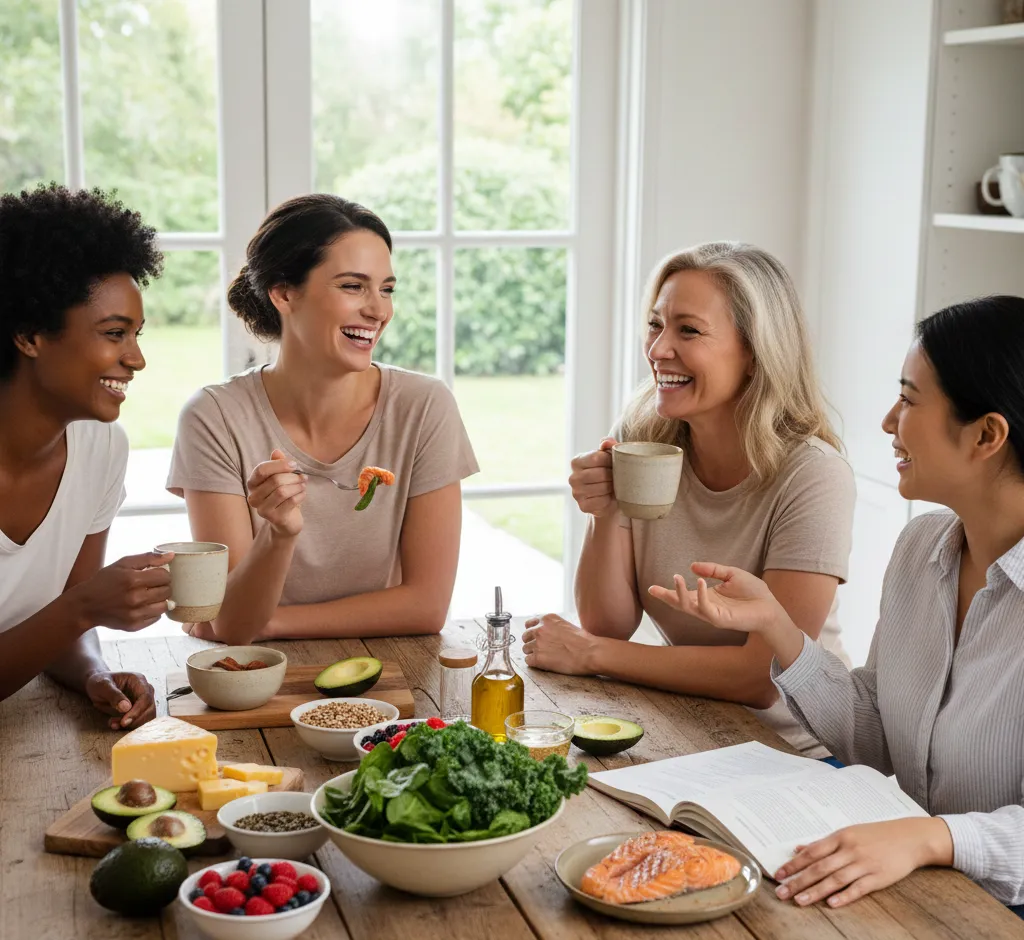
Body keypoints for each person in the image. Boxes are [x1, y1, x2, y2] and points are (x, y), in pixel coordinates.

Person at [657, 295, 1024, 911]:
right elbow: (877, 739)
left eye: (909, 399)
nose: (887, 421)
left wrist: (934, 838)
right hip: (905, 888)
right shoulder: (922, 546)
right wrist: (777, 627)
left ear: (986, 434)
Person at [522, 242, 855, 757]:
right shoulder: (644, 434)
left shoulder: (813, 476)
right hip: (690, 727)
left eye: (688, 330)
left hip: (798, 752)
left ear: (754, 352)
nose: (657, 350)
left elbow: (759, 677)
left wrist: (592, 654)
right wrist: (606, 513)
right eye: (655, 325)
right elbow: (609, 623)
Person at [168, 195, 478, 643]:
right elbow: (234, 626)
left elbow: (426, 607)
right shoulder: (214, 417)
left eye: (387, 288)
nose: (379, 310)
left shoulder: (424, 407)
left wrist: (269, 623)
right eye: (353, 286)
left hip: (390, 672)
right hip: (256, 678)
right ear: (284, 293)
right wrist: (279, 534)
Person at [0, 184, 172, 726]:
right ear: (30, 334)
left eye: (136, 335)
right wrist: (85, 607)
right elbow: (72, 609)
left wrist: (92, 670)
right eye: (114, 333)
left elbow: (59, 623)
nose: (136, 359)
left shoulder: (99, 449)